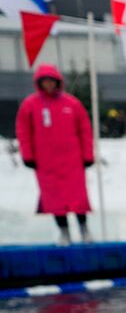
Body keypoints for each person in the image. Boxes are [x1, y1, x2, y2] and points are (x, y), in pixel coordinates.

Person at [16, 64, 94, 246]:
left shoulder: (72, 104)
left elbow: (85, 130)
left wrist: (87, 155)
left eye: (52, 81)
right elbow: (23, 131)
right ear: (39, 83)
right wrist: (28, 155)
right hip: (46, 162)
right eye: (45, 82)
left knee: (78, 197)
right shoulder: (30, 105)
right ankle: (64, 232)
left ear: (57, 82)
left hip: (72, 161)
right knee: (54, 199)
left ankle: (84, 229)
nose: (49, 85)